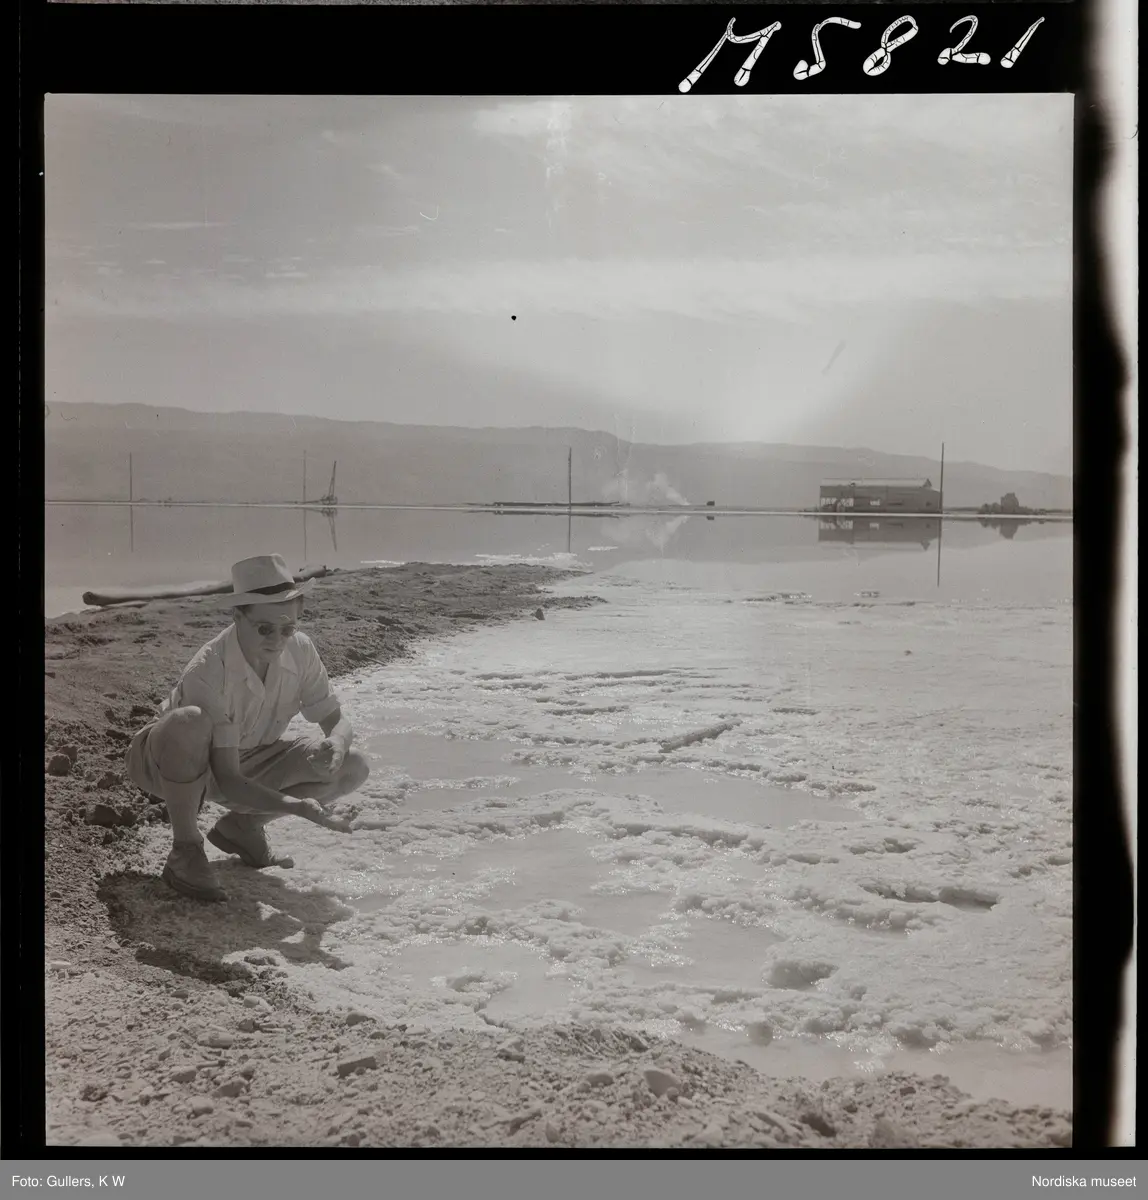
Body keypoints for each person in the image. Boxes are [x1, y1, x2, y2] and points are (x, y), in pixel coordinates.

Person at [125, 554, 369, 902]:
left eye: (288, 629)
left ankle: (243, 827)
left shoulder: (300, 650)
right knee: (189, 721)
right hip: (169, 761)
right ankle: (185, 849)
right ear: (238, 616)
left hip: (250, 755)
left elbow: (337, 720)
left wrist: (338, 743)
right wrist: (298, 807)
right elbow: (227, 779)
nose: (277, 640)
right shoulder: (209, 668)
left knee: (354, 765)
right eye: (264, 629)